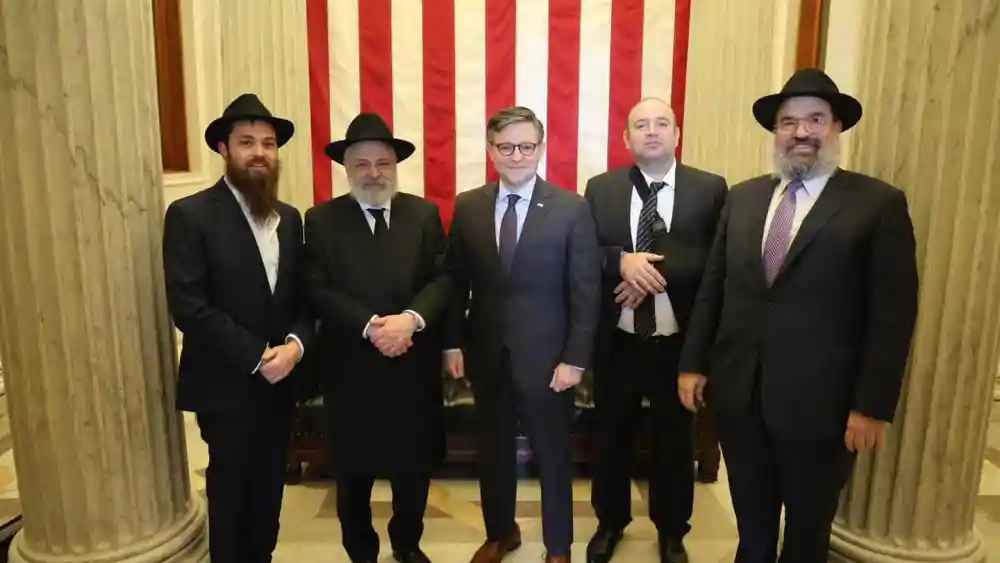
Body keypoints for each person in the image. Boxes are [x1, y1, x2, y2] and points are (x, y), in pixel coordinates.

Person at [677, 68, 919, 563]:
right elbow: (713, 290)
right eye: (789, 122)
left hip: (822, 407)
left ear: (836, 128)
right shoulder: (743, 198)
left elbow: (892, 315)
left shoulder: (877, 204)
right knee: (752, 518)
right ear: (776, 132)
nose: (802, 132)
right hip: (740, 394)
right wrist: (693, 362)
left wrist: (872, 405)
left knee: (808, 528)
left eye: (815, 119)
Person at [444, 106, 602, 563]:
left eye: (526, 146)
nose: (517, 155)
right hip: (487, 355)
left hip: (549, 361)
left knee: (553, 456)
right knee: (493, 454)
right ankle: (501, 533)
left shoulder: (571, 208)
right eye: (506, 146)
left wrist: (575, 359)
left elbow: (585, 292)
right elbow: (456, 281)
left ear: (541, 148)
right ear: (491, 151)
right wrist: (453, 342)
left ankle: (558, 548)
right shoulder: (469, 205)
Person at [162, 93, 313, 563]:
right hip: (225, 386)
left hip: (281, 382)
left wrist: (294, 346)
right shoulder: (191, 215)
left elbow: (301, 299)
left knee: (270, 490)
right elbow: (189, 306)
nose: (259, 152)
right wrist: (255, 358)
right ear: (224, 150)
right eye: (246, 142)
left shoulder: (289, 218)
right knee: (231, 493)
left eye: (268, 143)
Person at [583, 97, 728, 563]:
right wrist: (619, 263)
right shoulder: (600, 189)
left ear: (677, 134)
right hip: (618, 340)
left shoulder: (709, 189)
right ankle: (610, 522)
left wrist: (650, 276)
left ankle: (671, 531)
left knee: (673, 440)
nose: (651, 131)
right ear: (625, 139)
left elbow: (719, 263)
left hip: (678, 343)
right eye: (640, 124)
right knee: (611, 436)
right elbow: (584, 254)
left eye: (661, 123)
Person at [302, 113, 451, 563]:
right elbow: (315, 288)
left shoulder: (423, 214)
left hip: (412, 363)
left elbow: (443, 278)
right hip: (351, 367)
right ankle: (361, 551)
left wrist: (410, 319)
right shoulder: (322, 219)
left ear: (395, 166)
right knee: (353, 473)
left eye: (382, 163)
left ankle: (407, 544)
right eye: (362, 163)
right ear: (346, 168)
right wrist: (371, 325)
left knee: (413, 467)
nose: (373, 173)